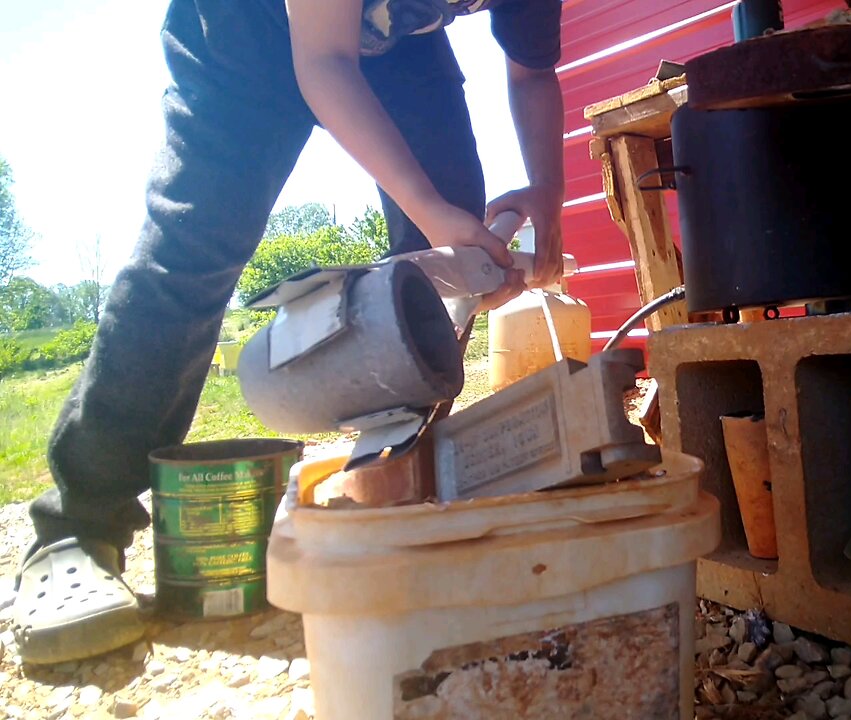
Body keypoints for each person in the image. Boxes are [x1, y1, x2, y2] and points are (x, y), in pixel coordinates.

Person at [10, 0, 565, 664]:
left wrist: (548, 204)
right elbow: (323, 59)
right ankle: (78, 526)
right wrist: (431, 209)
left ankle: (395, 495)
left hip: (397, 45)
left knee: (453, 259)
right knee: (193, 247)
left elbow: (532, 74)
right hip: (243, 31)